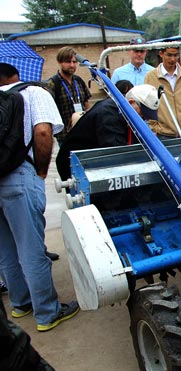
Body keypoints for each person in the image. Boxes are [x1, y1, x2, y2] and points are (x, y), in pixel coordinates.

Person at [0, 63, 80, 332]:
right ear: (16, 75)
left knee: (6, 249)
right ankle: (47, 313)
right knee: (31, 248)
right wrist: (42, 170)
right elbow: (44, 132)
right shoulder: (34, 93)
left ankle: (21, 304)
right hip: (20, 175)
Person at [56, 84, 160, 180]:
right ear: (131, 103)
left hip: (93, 161)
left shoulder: (124, 112)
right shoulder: (108, 115)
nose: (145, 119)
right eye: (143, 113)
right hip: (75, 166)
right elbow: (116, 155)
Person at [144, 45, 181, 140]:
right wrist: (154, 128)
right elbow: (148, 106)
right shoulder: (150, 77)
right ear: (161, 54)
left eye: (176, 55)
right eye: (169, 55)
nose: (173, 59)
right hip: (164, 134)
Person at [46, 46, 91, 143]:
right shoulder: (52, 84)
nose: (72, 65)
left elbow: (86, 103)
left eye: (74, 62)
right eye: (68, 62)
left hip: (83, 132)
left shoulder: (78, 81)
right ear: (60, 62)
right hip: (65, 136)